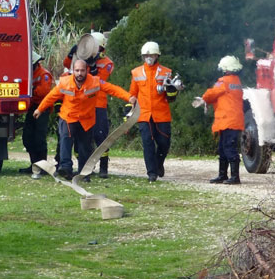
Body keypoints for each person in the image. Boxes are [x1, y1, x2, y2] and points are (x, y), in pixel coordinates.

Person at [34, 59, 136, 180]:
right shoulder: (64, 82)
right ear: (73, 71)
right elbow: (51, 96)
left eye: (82, 70)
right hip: (68, 117)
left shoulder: (95, 82)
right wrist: (39, 109)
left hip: (86, 119)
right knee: (65, 140)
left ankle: (84, 174)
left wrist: (128, 97)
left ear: (87, 70)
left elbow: (112, 89)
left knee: (85, 147)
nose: (79, 73)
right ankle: (66, 168)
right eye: (77, 70)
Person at [64, 32, 115, 178]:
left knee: (100, 136)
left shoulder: (106, 63)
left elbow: (99, 81)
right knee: (79, 138)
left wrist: (91, 70)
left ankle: (103, 167)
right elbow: (68, 67)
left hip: (98, 104)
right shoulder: (81, 60)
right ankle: (84, 168)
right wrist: (71, 54)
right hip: (80, 104)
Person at [130, 41, 174, 182]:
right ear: (143, 56)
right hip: (144, 115)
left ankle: (158, 164)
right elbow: (132, 95)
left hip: (162, 114)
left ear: (157, 55)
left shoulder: (167, 72)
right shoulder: (136, 72)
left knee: (164, 143)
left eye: (152, 54)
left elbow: (172, 97)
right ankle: (152, 173)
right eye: (146, 55)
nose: (149, 57)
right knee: (148, 143)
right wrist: (129, 111)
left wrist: (172, 90)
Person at [198, 55, 245, 185]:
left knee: (228, 148)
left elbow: (211, 94)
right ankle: (224, 175)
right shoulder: (237, 82)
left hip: (227, 120)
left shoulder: (223, 81)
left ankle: (233, 177)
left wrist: (204, 98)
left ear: (224, 68)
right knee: (225, 147)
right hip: (234, 120)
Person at [21, 52, 53, 178]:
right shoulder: (27, 74)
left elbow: (43, 92)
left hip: (42, 108)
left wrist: (29, 91)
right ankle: (34, 164)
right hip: (31, 107)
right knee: (27, 137)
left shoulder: (43, 74)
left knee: (39, 138)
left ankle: (43, 166)